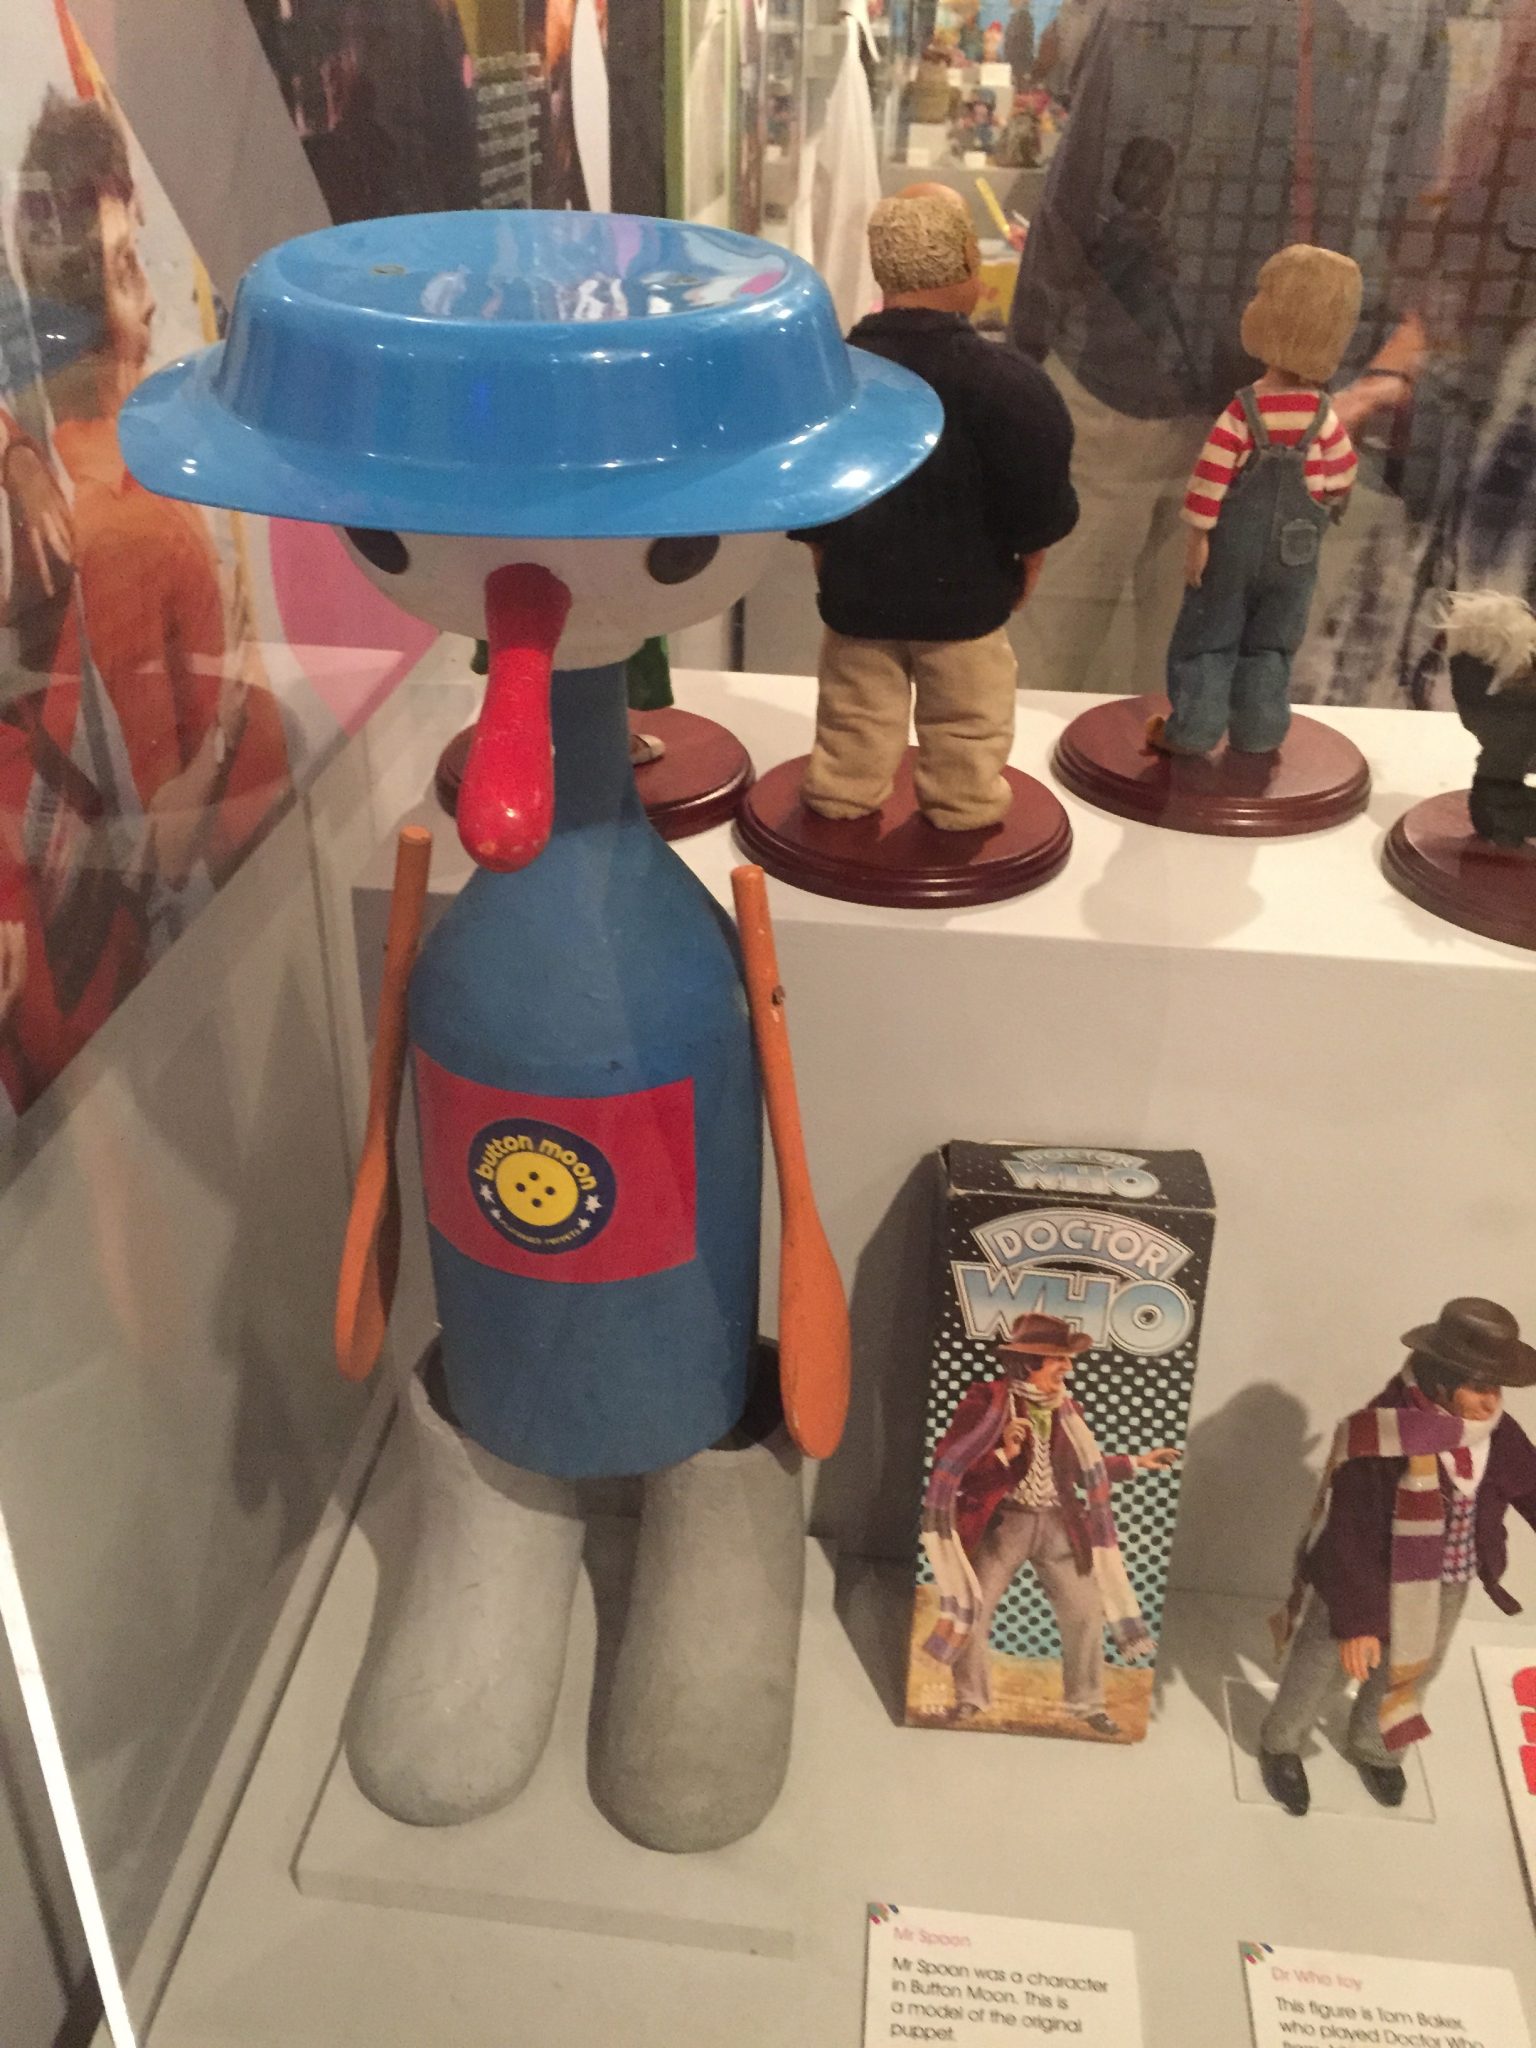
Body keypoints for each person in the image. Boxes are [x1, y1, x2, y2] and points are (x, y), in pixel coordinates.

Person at [1007, 0, 1449, 697]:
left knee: (1059, 644)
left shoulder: (1382, 29)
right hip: (1227, 383)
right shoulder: (1389, 29)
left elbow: (1078, 193)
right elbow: (1418, 223)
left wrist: (1022, 363)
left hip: (1148, 367)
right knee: (1180, 659)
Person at [14, 92, 291, 943]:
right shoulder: (117, 523)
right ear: (81, 312)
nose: (152, 300)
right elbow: (162, 848)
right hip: (234, 896)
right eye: (128, 268)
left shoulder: (137, 454)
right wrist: (233, 711)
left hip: (264, 840)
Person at [790, 193, 1077, 830]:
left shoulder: (833, 377)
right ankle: (963, 807)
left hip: (859, 595)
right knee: (969, 720)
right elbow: (1038, 497)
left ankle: (842, 795)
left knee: (855, 716)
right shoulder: (1013, 385)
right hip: (969, 601)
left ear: (880, 269)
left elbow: (809, 484)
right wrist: (1028, 564)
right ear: (971, 262)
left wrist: (823, 552)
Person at [1261, 1297, 1536, 1817]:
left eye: (1497, 1388)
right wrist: (1359, 1622)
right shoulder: (1383, 1434)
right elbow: (1352, 1535)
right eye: (1479, 1387)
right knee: (1321, 1664)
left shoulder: (1496, 1434)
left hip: (1447, 1579)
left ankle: (1376, 1746)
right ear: (1441, 1381)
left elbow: (1529, 1484)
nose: (1491, 1402)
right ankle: (1282, 1743)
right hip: (1364, 1579)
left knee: (1411, 1668)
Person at [920, 1311, 1180, 1737]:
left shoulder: (1067, 1409)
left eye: (1067, 1359)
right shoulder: (987, 1400)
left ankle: (1087, 1704)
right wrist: (1003, 1453)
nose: (1068, 1368)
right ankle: (970, 1697)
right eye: (1059, 1358)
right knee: (975, 1610)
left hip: (1060, 1525)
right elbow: (952, 1464)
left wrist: (1138, 1462)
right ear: (1030, 1362)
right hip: (1005, 1524)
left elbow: (1083, 1468)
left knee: (1085, 1613)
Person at [1154, 245, 1361, 756]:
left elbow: (1210, 478)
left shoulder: (1244, 412)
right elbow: (1341, 478)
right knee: (1272, 644)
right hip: (1296, 556)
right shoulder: (1324, 417)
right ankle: (1260, 733)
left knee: (1210, 639)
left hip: (1232, 552)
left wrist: (1198, 538)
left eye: (1260, 295)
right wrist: (1323, 501)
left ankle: (1195, 730)